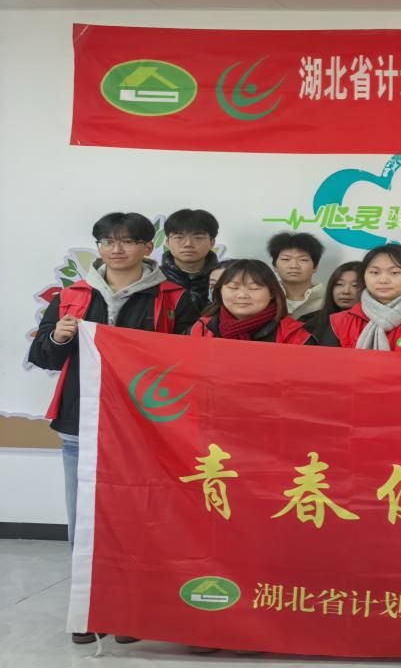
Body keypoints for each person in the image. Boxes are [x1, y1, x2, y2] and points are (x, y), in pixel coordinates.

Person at [27, 212, 199, 646]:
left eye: (127, 241)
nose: (116, 249)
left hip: (145, 427)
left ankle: (130, 609)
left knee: (139, 517)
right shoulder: (72, 296)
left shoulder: (176, 298)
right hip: (80, 422)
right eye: (107, 241)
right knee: (84, 519)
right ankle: (88, 609)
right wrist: (60, 337)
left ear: (148, 247)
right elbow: (43, 356)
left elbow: (189, 365)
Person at [323, 245, 401, 353]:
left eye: (394, 273)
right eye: (375, 272)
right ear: (364, 277)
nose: (383, 280)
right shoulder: (338, 322)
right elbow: (329, 367)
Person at [189, 259, 317, 345]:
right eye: (233, 287)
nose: (242, 295)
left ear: (272, 293)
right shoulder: (202, 328)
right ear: (220, 291)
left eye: (254, 288)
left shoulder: (292, 333)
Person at [159, 208, 219, 310]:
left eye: (198, 237)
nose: (188, 244)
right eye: (179, 237)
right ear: (167, 242)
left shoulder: (225, 278)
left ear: (212, 242)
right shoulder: (154, 278)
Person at [266, 231, 325, 321]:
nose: (294, 265)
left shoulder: (328, 299)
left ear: (315, 266)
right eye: (286, 259)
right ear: (275, 266)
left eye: (303, 260)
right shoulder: (264, 298)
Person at [298, 261, 364, 336]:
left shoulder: (371, 326)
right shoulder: (308, 322)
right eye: (339, 284)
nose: (346, 291)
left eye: (355, 285)